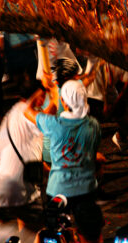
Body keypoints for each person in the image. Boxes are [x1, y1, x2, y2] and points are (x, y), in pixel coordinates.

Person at [25, 78, 101, 206]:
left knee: (59, 225)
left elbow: (27, 110)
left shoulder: (54, 124)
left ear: (64, 102)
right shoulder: (94, 124)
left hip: (59, 191)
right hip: (87, 189)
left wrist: (45, 91)